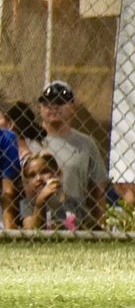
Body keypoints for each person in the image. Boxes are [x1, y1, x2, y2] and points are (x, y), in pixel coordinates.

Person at [34, 81, 108, 227]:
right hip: (37, 219)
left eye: (60, 102)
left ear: (73, 107)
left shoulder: (86, 144)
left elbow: (98, 193)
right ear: (40, 107)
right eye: (48, 102)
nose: (53, 107)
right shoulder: (29, 140)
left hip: (75, 222)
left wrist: (101, 226)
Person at [18, 152, 86, 232]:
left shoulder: (74, 203)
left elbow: (87, 228)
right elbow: (30, 232)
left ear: (58, 174)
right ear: (27, 182)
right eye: (32, 175)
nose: (38, 178)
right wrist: (40, 204)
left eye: (44, 171)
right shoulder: (28, 204)